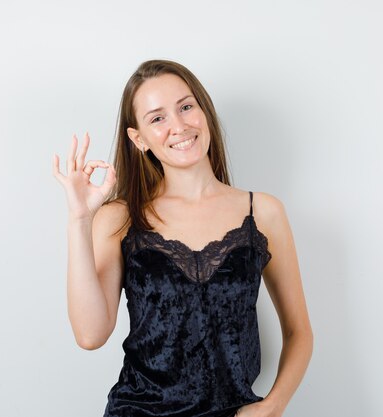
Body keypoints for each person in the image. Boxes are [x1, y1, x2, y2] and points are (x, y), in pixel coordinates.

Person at [52, 59, 313, 417]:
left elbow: (299, 333)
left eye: (186, 107)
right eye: (157, 118)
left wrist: (273, 405)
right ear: (138, 138)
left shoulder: (263, 212)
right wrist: (80, 220)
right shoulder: (120, 218)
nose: (178, 126)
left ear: (203, 112)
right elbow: (90, 335)